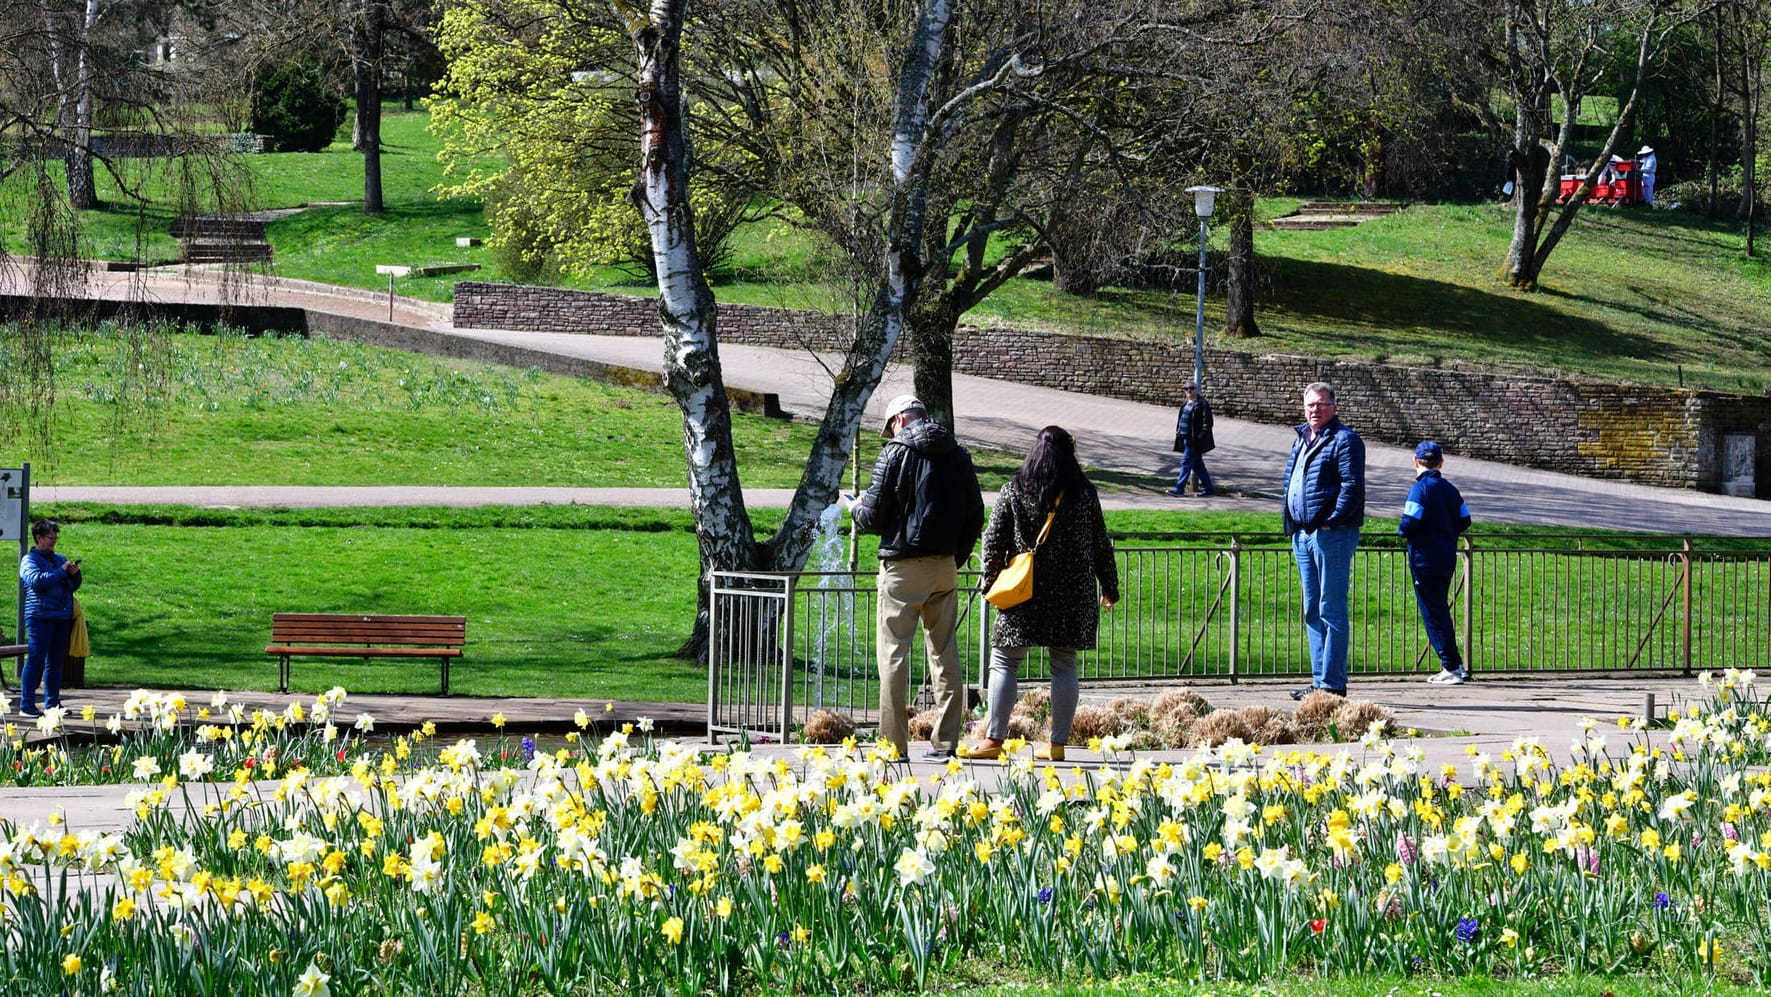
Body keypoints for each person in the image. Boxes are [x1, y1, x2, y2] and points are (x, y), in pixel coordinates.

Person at [840, 395, 985, 761]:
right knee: (944, 653)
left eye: (890, 426)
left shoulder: (894, 453)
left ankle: (893, 746)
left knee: (893, 655)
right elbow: (975, 513)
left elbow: (873, 516)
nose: (891, 432)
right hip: (945, 566)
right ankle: (946, 742)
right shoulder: (959, 454)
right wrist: (960, 553)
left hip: (902, 567)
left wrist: (853, 506)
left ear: (900, 419)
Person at [966, 427, 1119, 762]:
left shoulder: (1014, 490)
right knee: (1064, 665)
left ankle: (994, 740)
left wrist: (990, 583)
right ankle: (1057, 744)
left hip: (1024, 588)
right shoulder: (1084, 494)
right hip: (1073, 591)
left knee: (1005, 660)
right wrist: (1111, 587)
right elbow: (1100, 543)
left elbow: (993, 542)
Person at [1282, 382, 1365, 701]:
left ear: (1334, 406)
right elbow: (1292, 480)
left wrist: (1331, 521)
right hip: (1302, 534)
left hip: (1332, 535)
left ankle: (1332, 684)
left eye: (1320, 404)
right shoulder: (1301, 439)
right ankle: (1320, 681)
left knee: (1331, 608)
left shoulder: (1345, 440)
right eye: (1309, 405)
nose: (1314, 409)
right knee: (1311, 609)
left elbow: (1352, 485)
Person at [1400, 441, 1472, 685]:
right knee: (1440, 609)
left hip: (1424, 558)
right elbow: (1465, 520)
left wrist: (1406, 533)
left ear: (1416, 462)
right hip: (1446, 556)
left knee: (1433, 612)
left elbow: (1408, 523)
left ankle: (1451, 666)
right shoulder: (1450, 489)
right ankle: (1455, 664)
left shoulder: (1419, 489)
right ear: (1441, 463)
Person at [18, 518, 81, 718]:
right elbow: (37, 582)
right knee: (36, 659)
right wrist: (61, 572)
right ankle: (26, 705)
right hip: (40, 617)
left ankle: (53, 705)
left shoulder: (59, 558)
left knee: (55, 662)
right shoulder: (29, 560)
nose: (54, 541)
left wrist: (74, 574)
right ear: (38, 537)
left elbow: (72, 586)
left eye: (55, 537)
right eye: (50, 537)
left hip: (61, 616)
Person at [1167, 381, 1216, 497]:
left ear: (1196, 389)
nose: (1189, 391)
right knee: (1198, 466)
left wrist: (1199, 437)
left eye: (1191, 388)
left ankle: (1179, 489)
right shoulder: (1186, 403)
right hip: (1185, 438)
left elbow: (1208, 423)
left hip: (1194, 441)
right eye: (1186, 389)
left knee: (1185, 462)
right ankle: (1208, 489)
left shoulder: (1202, 403)